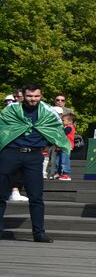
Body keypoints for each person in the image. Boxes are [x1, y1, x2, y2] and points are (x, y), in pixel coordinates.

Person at [0, 84, 70, 243]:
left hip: (33, 156)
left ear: (41, 96)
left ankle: (39, 233)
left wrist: (46, 142)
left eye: (36, 96)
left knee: (36, 196)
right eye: (30, 96)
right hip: (10, 153)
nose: (33, 99)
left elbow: (56, 129)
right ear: (23, 96)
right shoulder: (11, 111)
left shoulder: (47, 113)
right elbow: (1, 127)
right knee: (1, 194)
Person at [57, 112, 77, 181]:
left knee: (65, 160)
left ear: (70, 121)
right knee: (59, 160)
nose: (62, 122)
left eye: (63, 120)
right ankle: (59, 173)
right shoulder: (66, 127)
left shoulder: (69, 128)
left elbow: (62, 133)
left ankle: (66, 174)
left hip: (66, 147)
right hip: (62, 146)